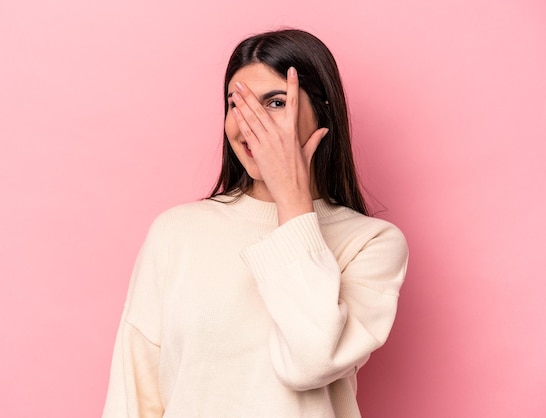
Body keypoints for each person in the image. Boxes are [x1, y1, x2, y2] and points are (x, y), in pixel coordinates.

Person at [102, 29, 408, 418]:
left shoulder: (372, 243)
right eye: (237, 104)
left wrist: (293, 204)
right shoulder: (176, 233)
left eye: (276, 102)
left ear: (322, 112)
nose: (250, 123)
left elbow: (310, 362)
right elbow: (134, 396)